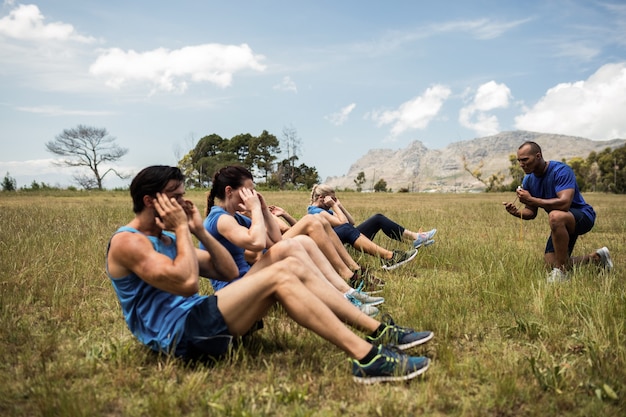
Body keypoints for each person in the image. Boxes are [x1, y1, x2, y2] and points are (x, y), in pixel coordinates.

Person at [106, 165, 433, 384]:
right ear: (150, 200)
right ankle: (367, 358)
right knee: (281, 273)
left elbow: (227, 270)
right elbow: (188, 282)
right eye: (176, 197)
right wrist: (181, 228)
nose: (183, 203)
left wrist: (197, 233)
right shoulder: (127, 243)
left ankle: (379, 332)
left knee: (287, 265)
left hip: (200, 319)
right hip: (179, 336)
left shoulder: (168, 238)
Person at [203, 166, 384, 316]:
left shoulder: (238, 218)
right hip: (234, 293)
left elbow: (274, 241)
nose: (252, 195)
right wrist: (255, 209)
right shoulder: (220, 218)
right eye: (249, 190)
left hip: (249, 279)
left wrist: (264, 209)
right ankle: (343, 298)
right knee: (293, 242)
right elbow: (256, 243)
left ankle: (347, 292)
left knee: (302, 242)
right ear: (229, 191)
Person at [503, 141, 613, 282]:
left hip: (582, 216)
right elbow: (531, 212)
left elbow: (564, 204)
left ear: (538, 156)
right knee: (550, 263)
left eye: (525, 160)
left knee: (555, 215)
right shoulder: (528, 179)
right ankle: (597, 258)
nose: (521, 164)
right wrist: (517, 213)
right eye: (519, 161)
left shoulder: (561, 171)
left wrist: (532, 199)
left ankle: (561, 274)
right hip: (560, 222)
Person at [308, 184, 436, 270]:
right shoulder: (316, 212)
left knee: (378, 219)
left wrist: (339, 206)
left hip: (344, 238)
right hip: (336, 246)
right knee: (348, 227)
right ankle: (392, 256)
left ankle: (416, 238)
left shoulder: (325, 211)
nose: (333, 202)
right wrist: (335, 206)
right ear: (321, 198)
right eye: (332, 199)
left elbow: (351, 222)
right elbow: (344, 223)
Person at [269, 204, 386, 293]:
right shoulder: (253, 217)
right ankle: (350, 276)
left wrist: (284, 214)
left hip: (280, 242)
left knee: (320, 220)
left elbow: (287, 229)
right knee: (316, 219)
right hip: (270, 251)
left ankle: (355, 269)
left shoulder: (257, 213)